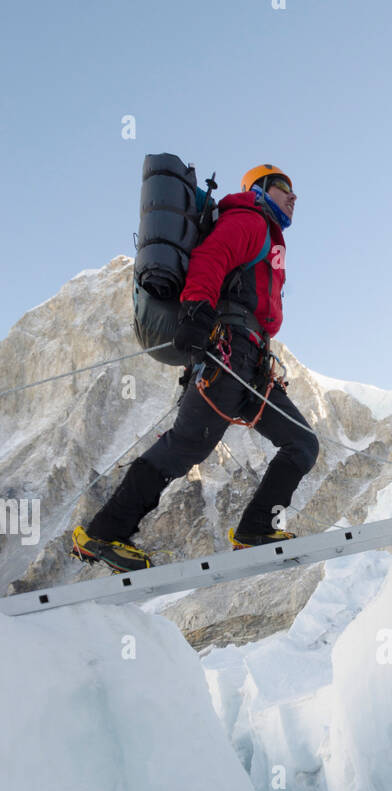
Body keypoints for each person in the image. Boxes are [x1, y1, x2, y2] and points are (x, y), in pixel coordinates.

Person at [73, 163, 319, 572]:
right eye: (281, 187)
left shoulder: (266, 236)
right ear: (257, 191)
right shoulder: (250, 221)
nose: (292, 196)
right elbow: (211, 256)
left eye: (294, 191)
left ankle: (255, 529)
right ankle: (103, 533)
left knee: (302, 443)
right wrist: (197, 311)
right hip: (228, 354)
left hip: (250, 362)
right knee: (187, 445)